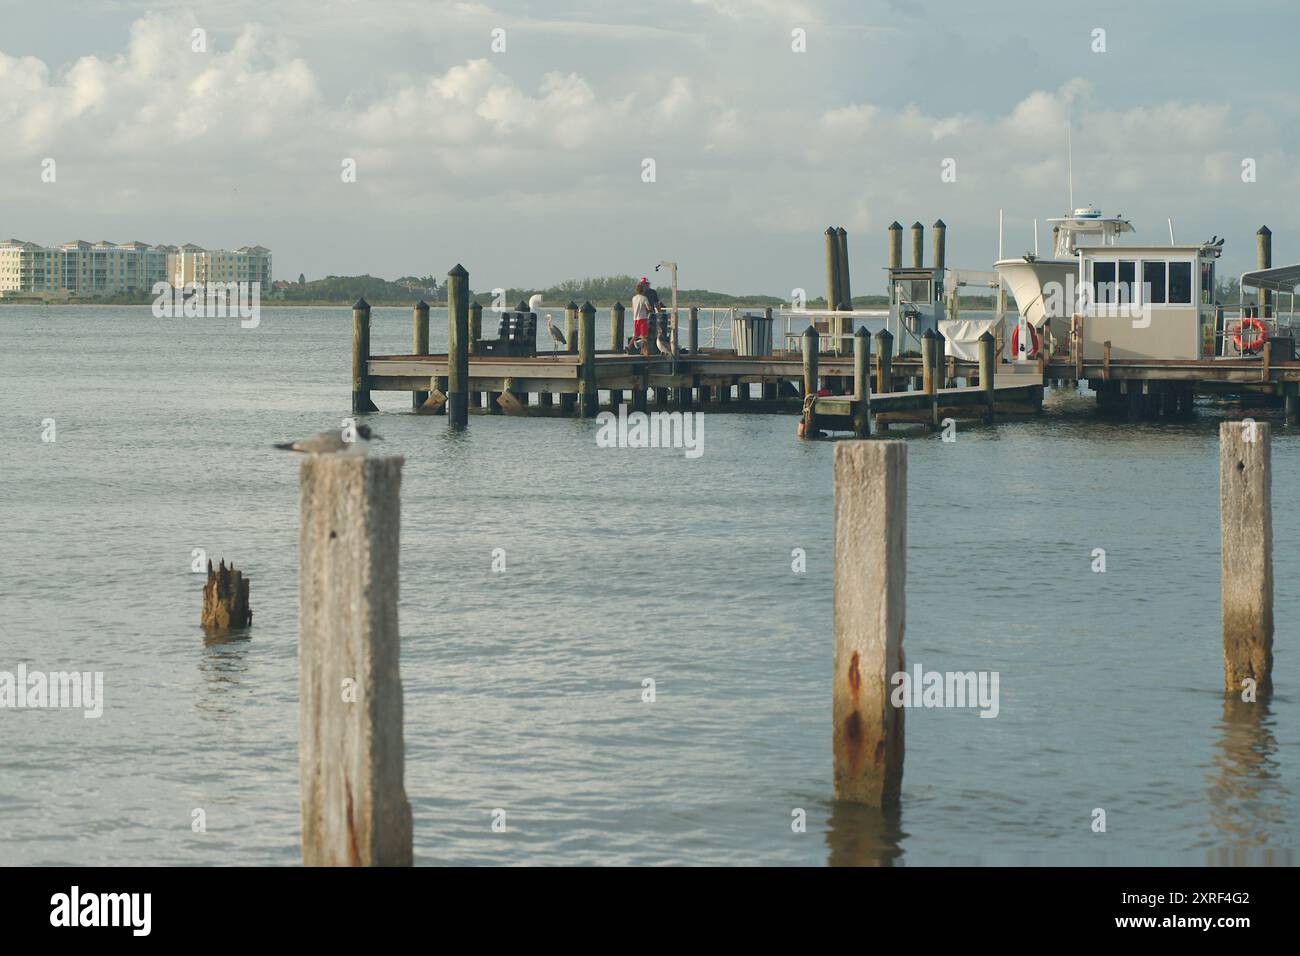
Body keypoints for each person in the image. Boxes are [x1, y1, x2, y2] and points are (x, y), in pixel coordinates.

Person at [632, 279, 652, 355]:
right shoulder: (644, 298)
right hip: (643, 318)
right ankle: (646, 351)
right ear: (643, 290)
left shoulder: (634, 298)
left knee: (638, 335)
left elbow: (633, 308)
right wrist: (650, 309)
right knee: (644, 336)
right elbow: (648, 307)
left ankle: (640, 350)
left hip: (635, 318)